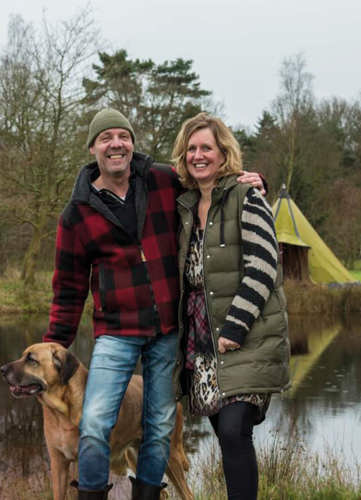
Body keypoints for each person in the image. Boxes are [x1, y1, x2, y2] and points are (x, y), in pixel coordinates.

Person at [43, 108, 262, 500]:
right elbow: (69, 288)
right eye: (106, 138)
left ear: (131, 143)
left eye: (123, 136)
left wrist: (254, 182)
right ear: (92, 147)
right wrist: (53, 348)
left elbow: (210, 181)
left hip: (167, 329)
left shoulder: (162, 180)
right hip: (116, 331)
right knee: (93, 421)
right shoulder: (77, 214)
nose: (116, 144)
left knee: (158, 426)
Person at [172, 112, 289, 500]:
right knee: (226, 435)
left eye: (207, 147)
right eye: (191, 148)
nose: (198, 155)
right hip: (201, 343)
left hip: (245, 334)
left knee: (235, 428)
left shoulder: (246, 196)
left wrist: (236, 327)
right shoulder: (183, 206)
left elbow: (264, 262)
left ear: (224, 154)